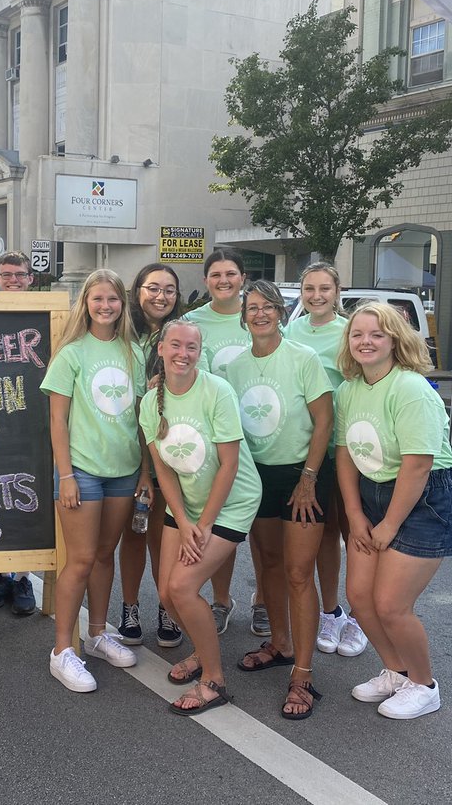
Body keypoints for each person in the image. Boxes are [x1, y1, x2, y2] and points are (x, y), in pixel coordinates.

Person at [335, 302, 452, 720]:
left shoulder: (411, 389)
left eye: (377, 334)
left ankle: (425, 685)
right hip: (372, 493)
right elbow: (343, 456)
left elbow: (418, 464)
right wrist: (355, 516)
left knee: (391, 604)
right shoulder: (349, 389)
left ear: (395, 340)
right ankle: (396, 671)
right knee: (359, 596)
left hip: (425, 498)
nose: (366, 341)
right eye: (358, 334)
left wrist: (390, 523)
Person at [222, 281, 334, 719]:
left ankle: (303, 673)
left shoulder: (303, 358)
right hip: (257, 477)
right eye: (253, 307)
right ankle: (281, 642)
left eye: (269, 306)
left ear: (281, 312)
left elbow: (323, 421)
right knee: (267, 563)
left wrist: (308, 478)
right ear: (243, 316)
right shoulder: (235, 366)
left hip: (301, 475)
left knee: (298, 572)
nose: (260, 314)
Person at [140, 319, 262, 715]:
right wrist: (182, 518)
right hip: (187, 504)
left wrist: (205, 524)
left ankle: (214, 679)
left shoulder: (217, 391)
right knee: (165, 592)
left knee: (183, 587)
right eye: (175, 345)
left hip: (230, 502)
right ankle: (201, 650)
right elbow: (164, 471)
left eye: (191, 348)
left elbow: (228, 465)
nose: (183, 354)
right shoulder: (149, 403)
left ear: (200, 352)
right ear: (161, 349)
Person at [43, 269, 148, 692]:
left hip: (123, 470)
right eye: (98, 299)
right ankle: (62, 651)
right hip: (82, 470)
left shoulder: (133, 353)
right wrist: (65, 474)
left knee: (106, 555)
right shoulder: (71, 353)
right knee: (81, 560)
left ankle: (98, 632)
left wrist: (144, 471)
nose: (106, 306)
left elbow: (142, 419)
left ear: (123, 304)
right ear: (85, 302)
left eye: (114, 299)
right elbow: (57, 419)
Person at [283, 262, 369, 659]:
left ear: (338, 291)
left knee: (356, 532)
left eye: (324, 289)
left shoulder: (349, 331)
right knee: (324, 533)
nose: (316, 295)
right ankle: (331, 611)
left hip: (351, 446)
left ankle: (360, 615)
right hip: (311, 447)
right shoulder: (292, 330)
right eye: (309, 289)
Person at [184, 247, 254, 635]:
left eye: (231, 274)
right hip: (214, 442)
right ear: (206, 280)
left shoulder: (258, 314)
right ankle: (222, 600)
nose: (224, 281)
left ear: (242, 277)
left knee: (264, 534)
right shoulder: (193, 321)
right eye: (216, 275)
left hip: (264, 436)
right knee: (223, 526)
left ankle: (262, 601)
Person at [117, 263, 184, 649]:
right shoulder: (121, 334)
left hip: (169, 451)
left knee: (162, 537)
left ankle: (166, 607)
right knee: (134, 535)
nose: (161, 296)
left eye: (170, 290)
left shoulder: (182, 335)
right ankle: (129, 608)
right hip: (126, 450)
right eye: (153, 287)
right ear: (137, 289)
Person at [0, 250, 39, 616]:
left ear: (31, 278)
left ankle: (22, 578)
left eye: (20, 274)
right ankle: (1, 575)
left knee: (26, 504)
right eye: (6, 274)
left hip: (30, 420)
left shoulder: (45, 316)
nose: (13, 280)